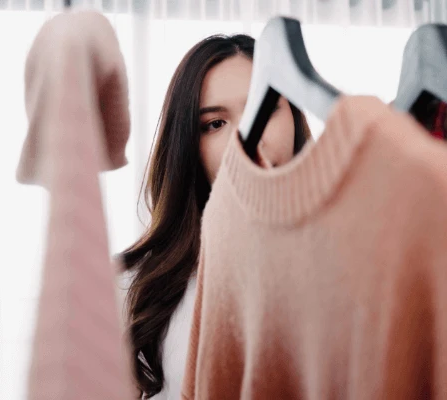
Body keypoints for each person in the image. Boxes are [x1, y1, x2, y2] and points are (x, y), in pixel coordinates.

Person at [119, 34, 312, 399]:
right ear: (189, 146)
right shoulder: (134, 285)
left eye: (264, 109)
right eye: (215, 124)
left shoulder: (351, 264)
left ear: (294, 116)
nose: (247, 138)